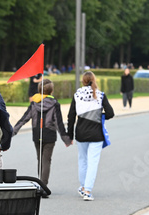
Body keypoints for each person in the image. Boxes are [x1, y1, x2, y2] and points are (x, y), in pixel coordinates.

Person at [12, 79, 70, 192]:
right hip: (49, 134)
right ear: (51, 90)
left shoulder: (34, 103)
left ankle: (40, 184)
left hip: (37, 133)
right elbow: (59, 123)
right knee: (46, 160)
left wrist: (12, 132)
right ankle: (43, 185)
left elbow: (24, 118)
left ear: (39, 90)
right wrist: (66, 139)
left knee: (40, 159)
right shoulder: (55, 104)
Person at [66, 71, 114, 201]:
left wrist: (69, 136)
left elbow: (71, 117)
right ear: (94, 80)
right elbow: (110, 113)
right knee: (93, 162)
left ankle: (83, 187)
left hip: (81, 133)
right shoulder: (100, 95)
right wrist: (99, 115)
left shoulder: (77, 95)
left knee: (82, 161)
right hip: (96, 134)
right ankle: (87, 190)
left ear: (83, 81)